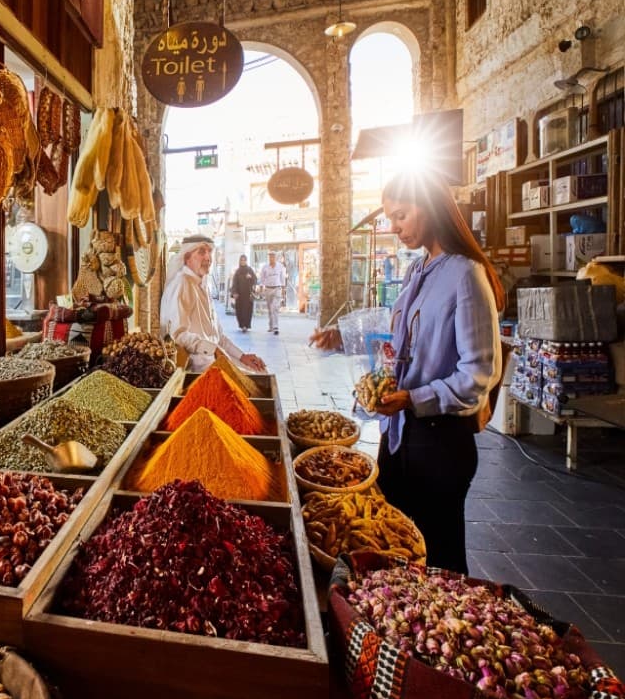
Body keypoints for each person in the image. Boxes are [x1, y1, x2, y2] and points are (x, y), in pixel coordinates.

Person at [310, 171, 504, 575]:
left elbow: (478, 374)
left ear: (429, 208)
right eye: (390, 218)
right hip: (400, 438)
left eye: (401, 216)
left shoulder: (466, 274)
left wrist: (414, 398)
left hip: (440, 444)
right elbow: (399, 340)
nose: (394, 227)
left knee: (439, 560)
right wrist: (343, 338)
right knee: (395, 546)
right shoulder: (418, 271)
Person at [160, 235, 266, 373]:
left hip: (215, 358)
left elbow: (218, 337)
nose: (208, 258)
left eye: (209, 252)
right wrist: (212, 349)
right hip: (197, 366)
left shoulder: (203, 285)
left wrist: (242, 356)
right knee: (254, 376)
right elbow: (177, 336)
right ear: (187, 258)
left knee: (259, 370)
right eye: (201, 252)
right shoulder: (182, 284)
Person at [258, 251, 286, 334]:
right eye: (270, 256)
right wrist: (261, 288)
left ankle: (275, 327)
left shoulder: (280, 266)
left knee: (275, 308)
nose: (271, 258)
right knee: (270, 309)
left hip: (277, 289)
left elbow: (282, 278)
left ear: (276, 257)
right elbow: (262, 278)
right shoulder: (265, 267)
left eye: (273, 256)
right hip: (268, 289)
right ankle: (271, 326)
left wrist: (283, 289)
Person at [230, 254, 257, 331]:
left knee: (247, 310)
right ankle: (242, 325)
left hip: (248, 294)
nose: (243, 261)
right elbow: (234, 283)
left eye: (244, 260)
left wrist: (250, 277)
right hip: (239, 294)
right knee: (239, 310)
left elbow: (255, 279)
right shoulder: (237, 271)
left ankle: (246, 325)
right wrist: (234, 292)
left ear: (246, 261)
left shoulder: (249, 270)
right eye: (241, 260)